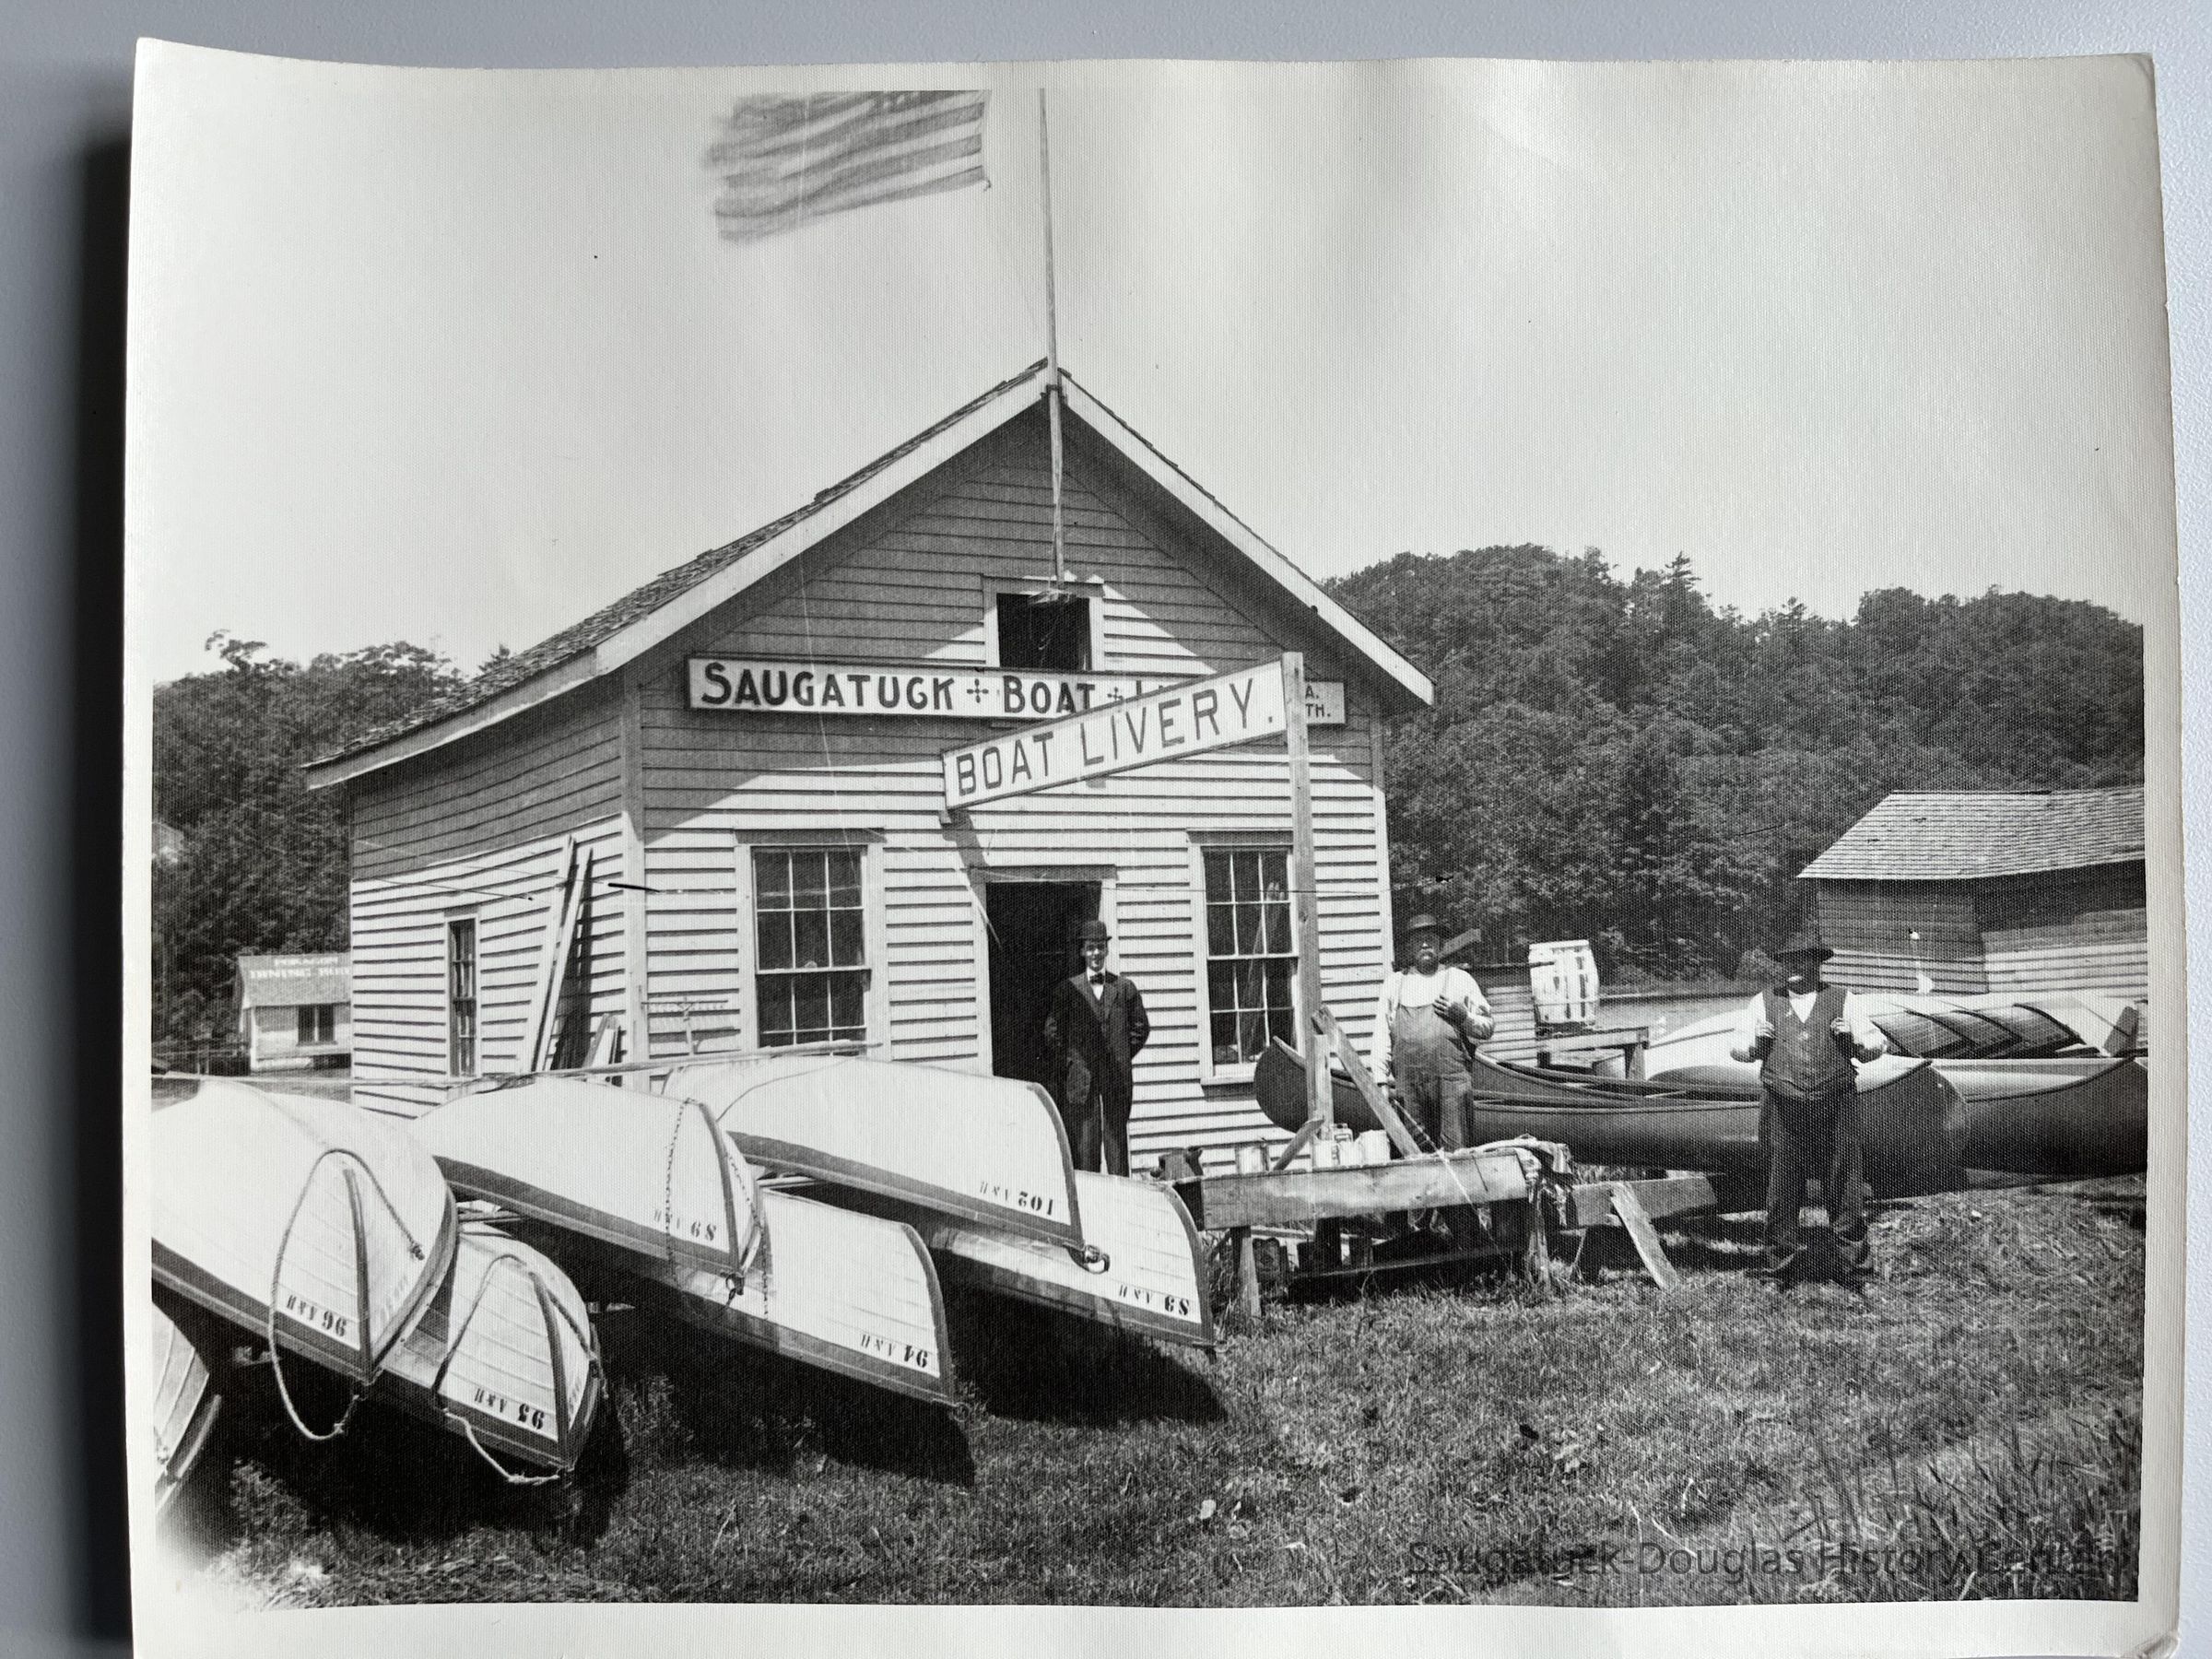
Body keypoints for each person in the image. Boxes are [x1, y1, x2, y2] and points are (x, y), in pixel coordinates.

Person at [1729, 928, 1889, 1282]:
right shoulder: (1763, 1001)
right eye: (1787, 960)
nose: (1793, 966)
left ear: (1818, 963)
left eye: (1802, 958)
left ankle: (1856, 1270)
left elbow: (1876, 1046)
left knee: (1844, 1182)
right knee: (1782, 1184)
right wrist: (1756, 1046)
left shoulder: (1845, 1000)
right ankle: (1779, 1267)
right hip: (1782, 1104)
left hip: (1835, 1101)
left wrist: (1852, 1039)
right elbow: (1738, 1049)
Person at [1369, 913, 1494, 1157]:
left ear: (1440, 945)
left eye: (1431, 939)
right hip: (1410, 1089)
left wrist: (1464, 1017)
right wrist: (1380, 1081)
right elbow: (1381, 1036)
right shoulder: (1394, 985)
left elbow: (1487, 1027)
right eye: (1418, 940)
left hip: (1452, 1087)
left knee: (1458, 1154)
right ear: (1409, 947)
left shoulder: (1460, 980)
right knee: (1415, 1153)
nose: (1425, 945)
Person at [1042, 918, 1150, 1175]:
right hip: (1082, 1081)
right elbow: (1052, 1031)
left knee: (1117, 1148)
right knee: (1086, 1149)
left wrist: (1121, 1054)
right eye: (1090, 948)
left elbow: (1141, 1028)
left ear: (1107, 950)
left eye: (1100, 947)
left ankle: (1120, 1202)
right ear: (1082, 951)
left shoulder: (1124, 988)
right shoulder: (1068, 990)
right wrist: (1071, 1062)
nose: (1096, 954)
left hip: (1115, 1078)